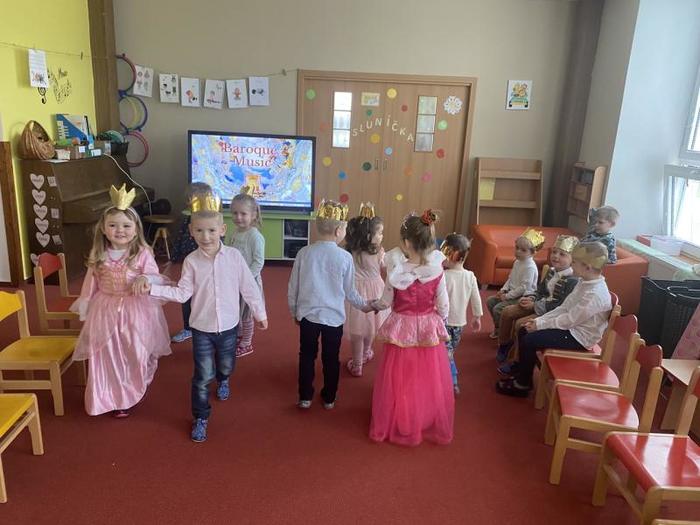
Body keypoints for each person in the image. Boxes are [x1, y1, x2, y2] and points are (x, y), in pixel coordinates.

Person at [138, 192, 268, 442]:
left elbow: (248, 287)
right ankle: (201, 417)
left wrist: (259, 312)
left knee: (226, 365)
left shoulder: (234, 257)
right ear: (191, 231)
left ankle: (224, 379)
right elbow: (182, 293)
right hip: (202, 330)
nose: (205, 237)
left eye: (211, 230)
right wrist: (152, 289)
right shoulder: (191, 262)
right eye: (199, 231)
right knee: (202, 376)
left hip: (229, 327)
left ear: (222, 230)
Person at [70, 184, 171, 418]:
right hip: (105, 309)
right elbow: (91, 282)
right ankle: (110, 397)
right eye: (113, 225)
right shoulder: (99, 254)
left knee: (133, 350)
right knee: (106, 353)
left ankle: (131, 389)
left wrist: (145, 278)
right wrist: (85, 303)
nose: (120, 230)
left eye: (126, 226)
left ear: (135, 230)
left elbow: (154, 275)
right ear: (103, 229)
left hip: (135, 309)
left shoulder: (142, 253)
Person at [370, 210, 454, 446]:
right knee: (426, 376)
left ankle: (401, 416)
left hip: (401, 328)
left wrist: (373, 306)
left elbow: (385, 301)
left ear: (406, 243)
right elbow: (443, 305)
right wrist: (439, 320)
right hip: (428, 327)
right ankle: (422, 414)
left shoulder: (397, 272)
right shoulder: (437, 270)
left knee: (400, 376)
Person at [495, 242, 612, 397]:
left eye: (574, 262)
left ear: (588, 267)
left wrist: (540, 324)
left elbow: (570, 319)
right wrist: (539, 321)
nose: (572, 265)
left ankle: (522, 385)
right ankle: (523, 370)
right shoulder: (584, 282)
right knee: (524, 329)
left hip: (579, 337)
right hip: (571, 327)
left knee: (529, 339)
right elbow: (564, 308)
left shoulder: (594, 294)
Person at [287, 199, 371, 409]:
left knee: (306, 356)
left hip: (308, 317)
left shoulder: (304, 253)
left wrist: (295, 311)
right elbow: (350, 292)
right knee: (331, 358)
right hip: (333, 319)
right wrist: (365, 306)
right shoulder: (345, 257)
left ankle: (305, 396)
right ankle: (329, 398)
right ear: (338, 231)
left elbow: (293, 286)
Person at [495, 235, 580, 367]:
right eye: (554, 252)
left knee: (520, 325)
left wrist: (534, 305)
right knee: (507, 312)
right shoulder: (551, 271)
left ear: (572, 259)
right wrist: (531, 298)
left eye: (562, 254)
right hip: (537, 304)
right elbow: (540, 290)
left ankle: (517, 361)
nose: (556, 256)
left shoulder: (572, 280)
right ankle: (505, 344)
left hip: (549, 312)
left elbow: (560, 306)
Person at [343, 202, 389, 377]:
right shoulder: (379, 252)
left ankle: (357, 364)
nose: (382, 236)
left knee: (357, 330)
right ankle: (366, 352)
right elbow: (385, 267)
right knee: (370, 325)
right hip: (375, 291)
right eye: (380, 233)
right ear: (369, 235)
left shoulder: (350, 251)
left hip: (354, 292)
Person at [169, 182, 213, 343]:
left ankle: (207, 327)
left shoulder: (212, 221)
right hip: (188, 268)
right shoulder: (188, 219)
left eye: (193, 199)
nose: (188, 201)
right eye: (188, 199)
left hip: (206, 269)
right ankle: (188, 328)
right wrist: (172, 259)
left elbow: (219, 242)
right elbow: (179, 239)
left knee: (206, 298)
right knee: (186, 298)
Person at [440, 233, 482, 395]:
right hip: (459, 324)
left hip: (444, 322)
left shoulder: (444, 276)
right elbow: (476, 298)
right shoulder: (470, 276)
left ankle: (453, 382)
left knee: (447, 354)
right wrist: (477, 317)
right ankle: (447, 376)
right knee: (449, 352)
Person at [227, 186, 265, 357]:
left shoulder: (254, 236)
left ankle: (247, 342)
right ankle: (239, 335)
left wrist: (245, 279)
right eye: (235, 213)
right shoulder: (235, 232)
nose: (238, 217)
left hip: (249, 283)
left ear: (253, 215)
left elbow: (258, 262)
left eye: (243, 214)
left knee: (247, 314)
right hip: (234, 281)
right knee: (236, 310)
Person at [485, 229, 541, 339]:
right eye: (517, 248)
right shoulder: (517, 262)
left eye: (523, 250)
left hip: (523, 296)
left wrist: (507, 296)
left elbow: (523, 288)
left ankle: (503, 332)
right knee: (490, 301)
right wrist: (503, 290)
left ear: (533, 253)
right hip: (511, 293)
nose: (518, 252)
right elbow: (510, 278)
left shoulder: (530, 267)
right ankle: (499, 327)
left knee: (498, 309)